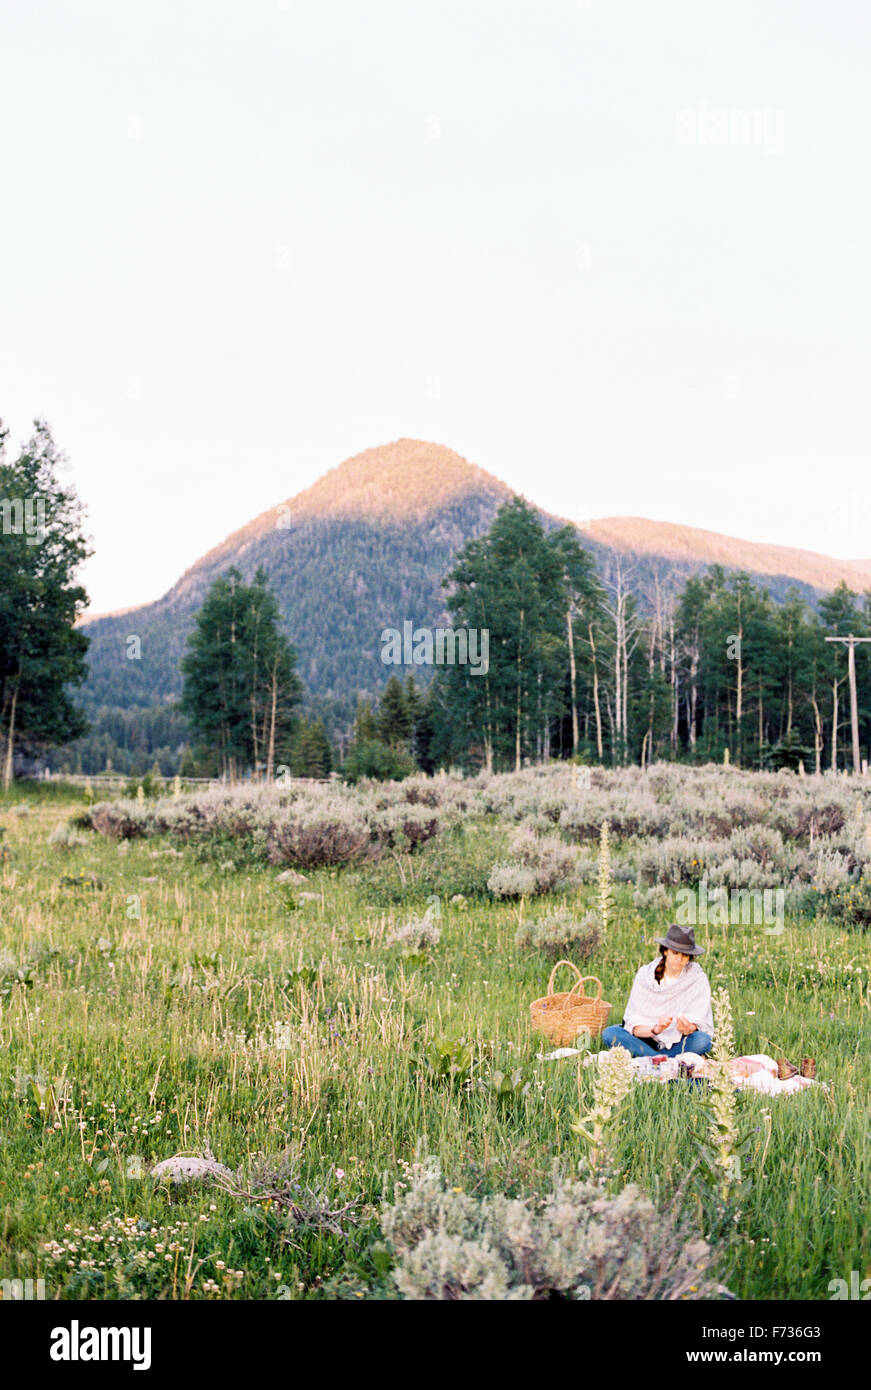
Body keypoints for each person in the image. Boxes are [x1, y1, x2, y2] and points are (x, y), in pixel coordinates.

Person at [601, 924, 713, 1058]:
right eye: (675, 953)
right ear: (665, 951)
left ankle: (654, 1059)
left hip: (678, 1042)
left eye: (685, 955)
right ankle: (663, 1060)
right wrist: (656, 1029)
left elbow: (698, 1022)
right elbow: (634, 1025)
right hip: (646, 1039)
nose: (679, 959)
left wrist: (687, 1028)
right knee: (610, 1034)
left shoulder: (697, 978)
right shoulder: (645, 975)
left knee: (703, 1041)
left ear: (690, 957)